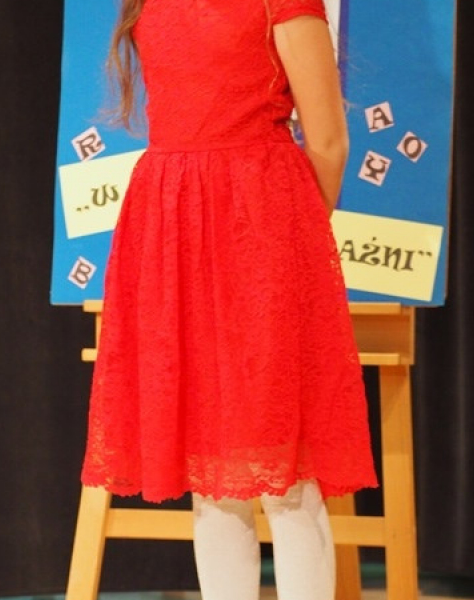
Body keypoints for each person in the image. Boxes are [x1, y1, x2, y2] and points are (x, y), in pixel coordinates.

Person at [81, 0, 378, 598]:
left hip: (260, 229)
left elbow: (327, 138)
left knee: (287, 469)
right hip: (173, 232)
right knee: (210, 472)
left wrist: (289, 243)